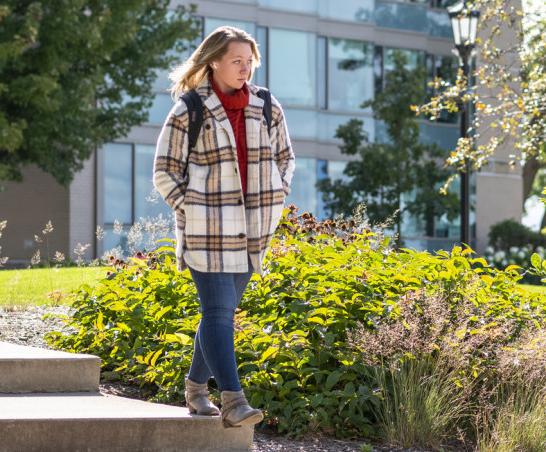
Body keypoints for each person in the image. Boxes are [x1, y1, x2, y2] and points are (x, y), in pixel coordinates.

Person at [152, 25, 296, 429]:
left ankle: (196, 388)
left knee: (221, 312)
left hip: (253, 231)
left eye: (249, 61)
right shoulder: (189, 109)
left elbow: (286, 158)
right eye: (236, 60)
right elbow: (164, 171)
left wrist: (277, 194)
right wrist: (191, 208)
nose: (244, 68)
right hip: (207, 230)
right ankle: (234, 401)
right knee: (218, 311)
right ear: (214, 60)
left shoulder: (266, 105)